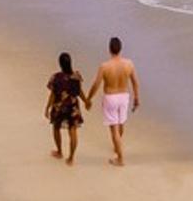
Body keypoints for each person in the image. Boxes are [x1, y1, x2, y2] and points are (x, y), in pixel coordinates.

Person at [84, 35, 141, 167]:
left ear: (109, 49)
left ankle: (120, 159)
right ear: (120, 49)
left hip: (110, 97)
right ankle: (117, 147)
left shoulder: (105, 66)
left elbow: (96, 84)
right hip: (124, 96)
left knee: (114, 128)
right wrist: (136, 98)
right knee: (121, 123)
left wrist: (88, 98)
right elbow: (135, 83)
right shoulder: (129, 64)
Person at [45, 52, 84, 165]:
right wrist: (86, 101)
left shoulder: (56, 77)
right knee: (73, 131)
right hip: (73, 107)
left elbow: (52, 95)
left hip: (59, 107)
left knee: (56, 127)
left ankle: (59, 151)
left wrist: (47, 107)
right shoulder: (76, 76)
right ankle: (71, 158)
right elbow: (79, 92)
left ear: (60, 64)